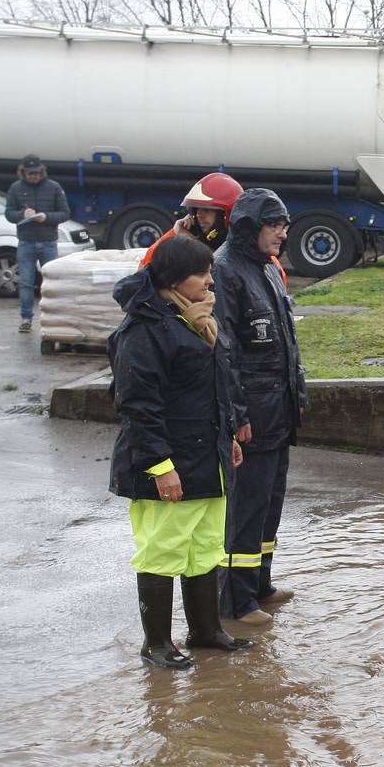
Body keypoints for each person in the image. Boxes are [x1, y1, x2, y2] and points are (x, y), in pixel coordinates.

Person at [108, 235, 251, 668]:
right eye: (202, 274)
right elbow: (137, 405)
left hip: (206, 459)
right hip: (167, 463)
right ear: (174, 279)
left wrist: (227, 438)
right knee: (162, 550)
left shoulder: (195, 318)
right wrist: (160, 467)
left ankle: (205, 631)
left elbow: (212, 388)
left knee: (204, 547)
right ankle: (156, 644)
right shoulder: (144, 329)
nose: (211, 281)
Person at [213, 189, 308, 624]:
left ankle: (260, 581)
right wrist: (237, 416)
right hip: (252, 411)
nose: (282, 234)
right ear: (251, 226)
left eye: (285, 226)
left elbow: (286, 342)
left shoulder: (268, 269)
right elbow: (224, 350)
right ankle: (236, 599)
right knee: (247, 506)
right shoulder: (226, 270)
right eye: (276, 226)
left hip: (278, 409)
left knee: (270, 502)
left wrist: (297, 398)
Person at [3, 154, 70, 334]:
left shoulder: (54, 187)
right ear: (23, 172)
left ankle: (54, 317)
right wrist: (21, 215)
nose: (33, 176)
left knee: (51, 281)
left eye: (36, 173)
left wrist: (46, 217)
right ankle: (26, 318)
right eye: (29, 174)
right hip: (26, 242)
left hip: (48, 241)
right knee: (25, 282)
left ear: (42, 171)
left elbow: (65, 213)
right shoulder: (15, 188)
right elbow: (8, 213)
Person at [141, 172, 244, 265]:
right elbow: (145, 267)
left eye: (206, 210)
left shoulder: (239, 244)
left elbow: (217, 266)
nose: (199, 215)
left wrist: (192, 242)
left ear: (224, 215)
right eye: (196, 209)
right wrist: (175, 233)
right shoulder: (192, 238)